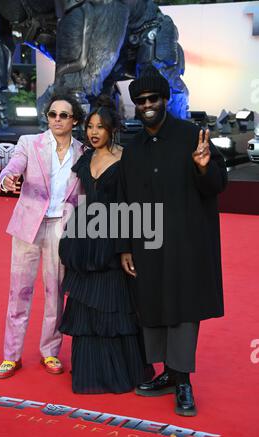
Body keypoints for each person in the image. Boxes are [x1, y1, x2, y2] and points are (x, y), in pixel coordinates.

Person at [117, 64, 227, 416]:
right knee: (151, 307)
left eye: (153, 98)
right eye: (141, 100)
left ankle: (183, 381)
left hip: (185, 242)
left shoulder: (191, 136)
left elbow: (216, 186)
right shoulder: (132, 149)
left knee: (182, 310)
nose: (147, 104)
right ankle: (166, 373)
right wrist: (125, 246)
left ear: (165, 99)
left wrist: (203, 166)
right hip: (147, 243)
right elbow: (124, 199)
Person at [59, 95, 146, 394]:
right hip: (84, 237)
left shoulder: (125, 159)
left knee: (113, 304)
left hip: (112, 238)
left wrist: (126, 245)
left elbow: (132, 203)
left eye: (100, 127)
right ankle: (90, 371)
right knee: (84, 302)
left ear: (113, 129)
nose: (94, 132)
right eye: (90, 126)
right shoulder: (85, 158)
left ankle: (119, 371)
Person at [0, 93, 85, 379]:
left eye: (63, 115)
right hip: (28, 226)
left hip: (62, 227)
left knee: (55, 293)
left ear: (74, 120)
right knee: (19, 291)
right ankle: (11, 355)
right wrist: (7, 177)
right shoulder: (28, 143)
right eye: (52, 114)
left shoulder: (83, 151)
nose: (56, 119)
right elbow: (13, 166)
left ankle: (50, 351)